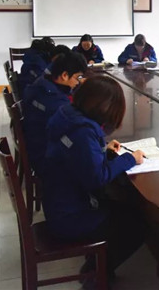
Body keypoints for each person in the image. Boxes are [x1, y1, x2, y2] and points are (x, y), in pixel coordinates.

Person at [42, 76, 145, 281]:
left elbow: (79, 157)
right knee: (138, 226)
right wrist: (129, 159)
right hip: (70, 215)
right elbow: (97, 178)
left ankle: (98, 264)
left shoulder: (69, 116)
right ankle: (95, 274)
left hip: (58, 203)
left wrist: (102, 150)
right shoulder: (83, 132)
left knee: (125, 207)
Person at [22, 52, 87, 177]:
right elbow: (77, 130)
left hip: (37, 146)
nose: (78, 82)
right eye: (77, 77)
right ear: (64, 75)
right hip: (47, 159)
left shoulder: (42, 83)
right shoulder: (56, 103)